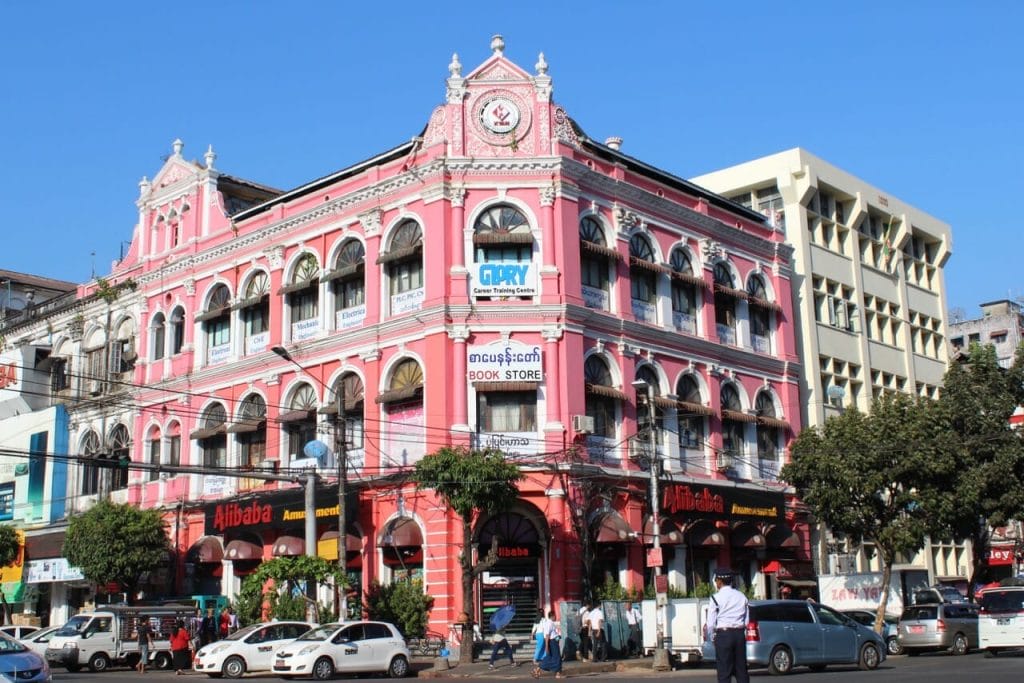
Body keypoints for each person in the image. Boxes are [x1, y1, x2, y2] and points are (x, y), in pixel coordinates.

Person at [705, 569, 750, 683]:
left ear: (719, 581)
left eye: (716, 581)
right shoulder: (741, 596)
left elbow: (710, 623)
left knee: (724, 671)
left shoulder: (715, 598)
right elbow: (746, 620)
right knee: (741, 670)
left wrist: (713, 638)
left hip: (724, 635)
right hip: (739, 635)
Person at [533, 609, 564, 679]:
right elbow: (547, 635)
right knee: (557, 658)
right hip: (552, 642)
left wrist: (558, 637)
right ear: (552, 616)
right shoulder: (549, 623)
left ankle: (538, 669)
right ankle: (558, 673)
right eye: (555, 616)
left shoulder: (551, 623)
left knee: (549, 657)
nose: (555, 617)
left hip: (554, 641)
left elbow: (553, 635)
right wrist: (547, 646)